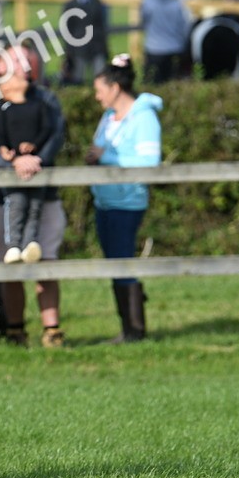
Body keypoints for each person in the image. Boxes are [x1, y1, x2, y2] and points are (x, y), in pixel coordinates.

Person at [0, 46, 67, 348]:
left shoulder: (46, 99)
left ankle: (52, 330)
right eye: (17, 59)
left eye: (28, 59)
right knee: (8, 262)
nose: (25, 64)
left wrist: (37, 158)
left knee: (45, 259)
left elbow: (56, 134)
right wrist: (12, 163)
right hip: (1, 197)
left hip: (44, 194)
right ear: (1, 68)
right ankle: (15, 329)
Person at [86, 55, 162, 343]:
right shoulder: (108, 118)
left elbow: (149, 161)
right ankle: (129, 326)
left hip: (127, 201)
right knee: (115, 261)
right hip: (104, 201)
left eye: (100, 90)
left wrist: (106, 156)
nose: (97, 97)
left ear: (115, 87)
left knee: (122, 261)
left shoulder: (144, 118)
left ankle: (134, 330)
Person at [0, 86, 56, 264]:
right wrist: (5, 151)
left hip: (36, 168)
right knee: (16, 204)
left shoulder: (40, 105)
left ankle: (30, 243)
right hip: (13, 169)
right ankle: (13, 246)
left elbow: (47, 129)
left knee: (35, 207)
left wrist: (34, 145)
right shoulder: (4, 108)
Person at [141, 0, 191, 84]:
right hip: (175, 48)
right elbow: (184, 26)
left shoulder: (148, 0)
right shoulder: (176, 1)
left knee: (152, 86)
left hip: (154, 49)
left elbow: (144, 21)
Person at [60, 0, 108, 85]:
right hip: (78, 48)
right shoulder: (70, 5)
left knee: (101, 79)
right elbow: (67, 29)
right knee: (77, 80)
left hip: (96, 46)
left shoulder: (96, 2)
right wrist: (68, 52)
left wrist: (104, 47)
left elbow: (101, 26)